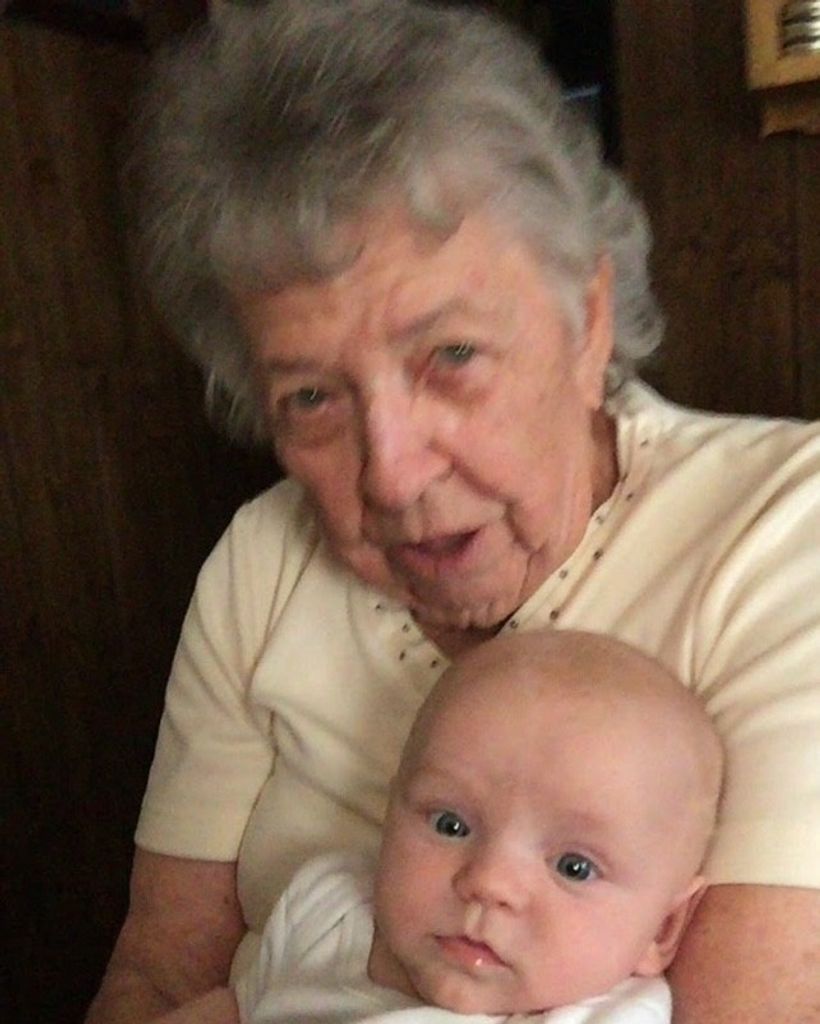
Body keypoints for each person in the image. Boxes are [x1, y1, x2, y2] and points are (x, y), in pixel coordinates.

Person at [85, 2, 820, 1023]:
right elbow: (163, 971)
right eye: (312, 397)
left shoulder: (783, 530)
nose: (391, 473)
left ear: (585, 322)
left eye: (452, 356)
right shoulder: (262, 562)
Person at [228, 629, 724, 1024]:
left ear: (661, 929)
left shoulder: (610, 1017)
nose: (489, 883)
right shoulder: (328, 906)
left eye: (574, 867)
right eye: (450, 825)